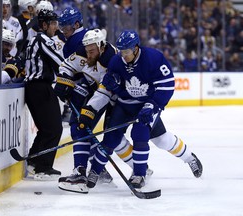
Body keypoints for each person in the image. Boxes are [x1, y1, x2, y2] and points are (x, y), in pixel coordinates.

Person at [79, 30, 203, 190]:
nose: (123, 55)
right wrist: (90, 109)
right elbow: (105, 90)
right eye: (121, 51)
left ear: (136, 48)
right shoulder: (116, 62)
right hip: (124, 105)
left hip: (147, 105)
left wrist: (153, 105)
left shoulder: (153, 58)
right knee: (111, 138)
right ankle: (94, 171)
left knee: (148, 136)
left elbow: (167, 85)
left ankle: (147, 172)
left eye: (127, 51)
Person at [54, 28, 117, 193]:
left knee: (84, 128)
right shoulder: (84, 51)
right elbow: (67, 65)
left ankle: (82, 174)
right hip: (91, 91)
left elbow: (104, 92)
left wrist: (89, 110)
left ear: (101, 46)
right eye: (87, 51)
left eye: (92, 51)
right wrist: (64, 81)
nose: (89, 55)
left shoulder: (111, 60)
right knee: (78, 127)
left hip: (108, 97)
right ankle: (87, 171)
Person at [24, 9, 65, 181]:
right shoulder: (42, 40)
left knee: (48, 128)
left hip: (37, 88)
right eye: (53, 23)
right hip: (40, 88)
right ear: (44, 25)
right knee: (54, 128)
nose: (56, 27)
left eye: (56, 23)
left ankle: (34, 161)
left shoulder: (39, 40)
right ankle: (43, 167)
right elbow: (59, 63)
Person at [57, 7, 88, 122]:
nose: (63, 30)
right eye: (62, 27)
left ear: (76, 24)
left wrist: (74, 85)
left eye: (66, 26)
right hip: (86, 86)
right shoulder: (74, 39)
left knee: (78, 126)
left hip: (88, 87)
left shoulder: (81, 40)